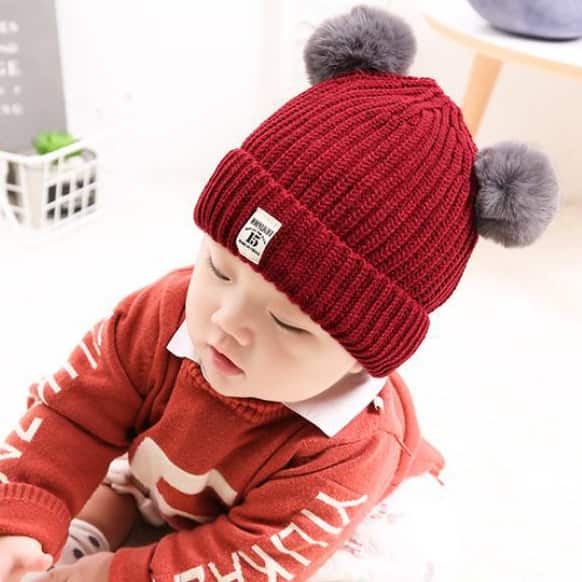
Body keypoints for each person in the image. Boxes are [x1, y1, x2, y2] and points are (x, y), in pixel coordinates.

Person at [0, 5, 559, 582]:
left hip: (333, 522)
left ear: (362, 356)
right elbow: (71, 410)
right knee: (121, 467)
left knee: (370, 566)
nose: (226, 319)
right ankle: (101, 521)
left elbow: (243, 561)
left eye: (288, 323)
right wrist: (22, 518)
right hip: (197, 474)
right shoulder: (164, 312)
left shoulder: (350, 448)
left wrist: (115, 575)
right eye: (220, 270)